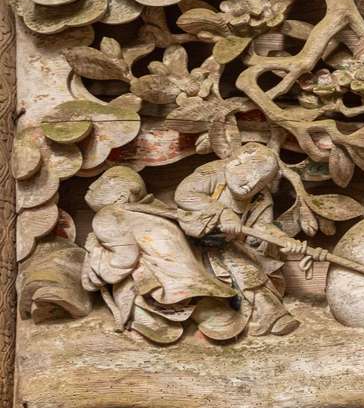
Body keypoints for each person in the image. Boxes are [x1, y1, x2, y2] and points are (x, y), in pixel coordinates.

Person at [174, 142, 323, 336]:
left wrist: (283, 240)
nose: (251, 185)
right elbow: (184, 194)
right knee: (237, 262)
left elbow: (262, 227)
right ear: (236, 162)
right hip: (191, 244)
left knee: (244, 262)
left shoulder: (260, 197)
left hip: (228, 247)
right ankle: (268, 312)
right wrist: (223, 213)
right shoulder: (212, 173)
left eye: (260, 182)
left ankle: (268, 313)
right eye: (249, 174)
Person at [82, 165, 239, 343]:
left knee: (125, 285)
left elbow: (124, 260)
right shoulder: (155, 209)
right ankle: (211, 312)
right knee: (203, 304)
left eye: (103, 183)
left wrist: (96, 255)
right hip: (191, 275)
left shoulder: (108, 215)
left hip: (161, 278)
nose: (92, 186)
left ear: (121, 198)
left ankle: (150, 321)